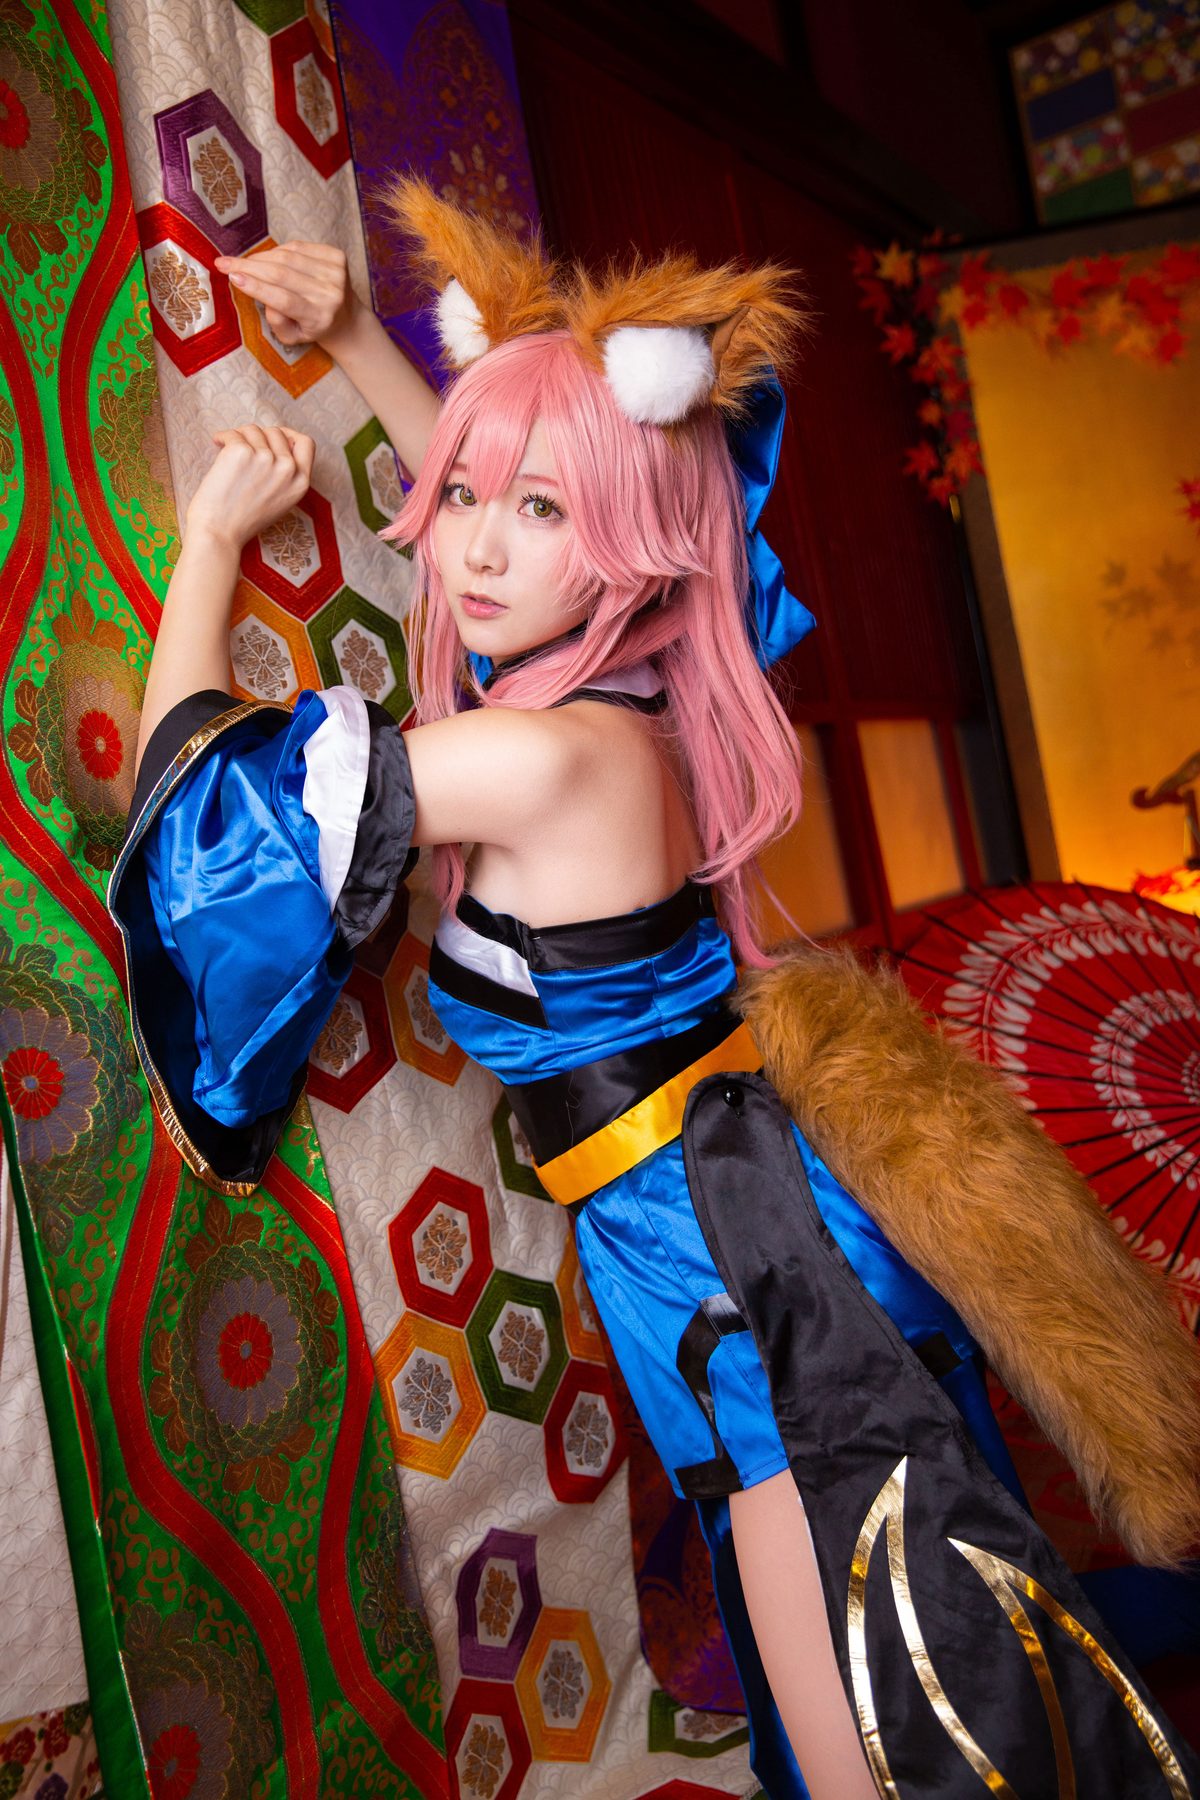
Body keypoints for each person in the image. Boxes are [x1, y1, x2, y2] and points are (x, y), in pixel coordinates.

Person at [110, 180, 1200, 1799]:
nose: (473, 541)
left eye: (543, 508)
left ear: (633, 541)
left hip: (741, 1261)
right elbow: (520, 549)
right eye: (461, 491)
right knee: (879, 1634)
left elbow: (218, 843)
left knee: (873, 1686)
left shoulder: (545, 757)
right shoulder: (632, 683)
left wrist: (206, 548)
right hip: (728, 1206)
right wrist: (353, 340)